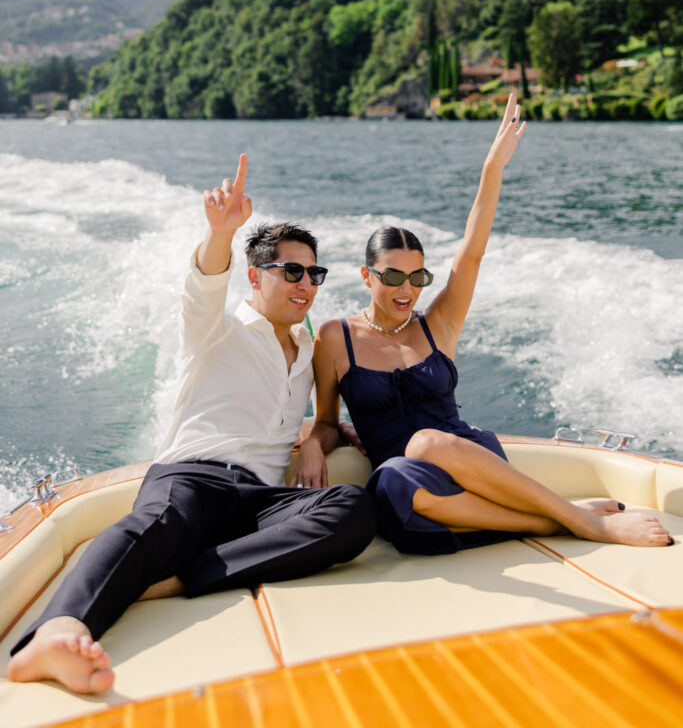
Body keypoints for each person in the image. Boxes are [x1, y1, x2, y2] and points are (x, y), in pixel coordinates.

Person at [7, 154, 376, 695]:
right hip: (192, 479)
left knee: (353, 510)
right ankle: (57, 633)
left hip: (258, 501)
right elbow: (204, 282)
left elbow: (303, 420)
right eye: (291, 271)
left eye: (314, 274)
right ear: (254, 276)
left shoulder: (306, 350)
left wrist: (322, 437)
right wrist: (220, 232)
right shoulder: (216, 329)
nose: (306, 284)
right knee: (155, 523)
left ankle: (173, 577)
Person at [295, 95, 674, 554]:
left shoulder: (438, 324)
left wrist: (492, 168)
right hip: (417, 496)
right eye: (392, 277)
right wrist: (313, 443)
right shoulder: (336, 338)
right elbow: (329, 421)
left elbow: (471, 252)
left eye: (418, 278)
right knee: (393, 477)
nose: (406, 289)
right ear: (366, 276)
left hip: (473, 470)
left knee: (428, 443)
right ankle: (564, 521)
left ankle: (575, 520)